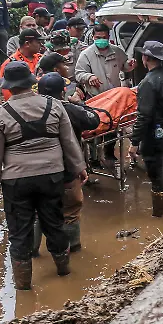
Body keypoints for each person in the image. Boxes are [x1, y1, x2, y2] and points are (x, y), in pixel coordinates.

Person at [0, 62, 87, 290]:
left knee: (19, 231)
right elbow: (69, 142)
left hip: (16, 181)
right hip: (52, 175)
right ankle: (64, 271)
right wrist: (79, 168)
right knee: (55, 224)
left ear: (8, 87)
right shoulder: (55, 106)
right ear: (32, 82)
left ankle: (23, 287)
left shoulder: (0, 115)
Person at [35, 73, 98, 254]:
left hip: (35, 172)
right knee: (70, 212)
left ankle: (32, 254)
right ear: (63, 91)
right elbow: (93, 120)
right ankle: (73, 251)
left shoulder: (27, 109)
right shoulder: (68, 109)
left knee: (37, 213)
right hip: (66, 171)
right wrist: (78, 103)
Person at [131, 42, 163, 217]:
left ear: (145, 58)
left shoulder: (148, 82)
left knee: (155, 173)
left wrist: (134, 142)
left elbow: (143, 116)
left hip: (154, 135)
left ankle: (161, 215)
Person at [75, 23, 133, 98]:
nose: (101, 40)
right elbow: (79, 74)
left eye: (104, 37)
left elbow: (124, 66)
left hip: (115, 94)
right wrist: (89, 77)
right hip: (96, 96)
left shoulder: (117, 51)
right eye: (98, 38)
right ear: (93, 37)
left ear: (108, 37)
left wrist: (129, 64)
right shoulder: (86, 54)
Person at [2, 28, 46, 101]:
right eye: (38, 42)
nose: (41, 45)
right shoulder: (9, 65)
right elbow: (8, 93)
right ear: (27, 43)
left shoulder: (42, 58)